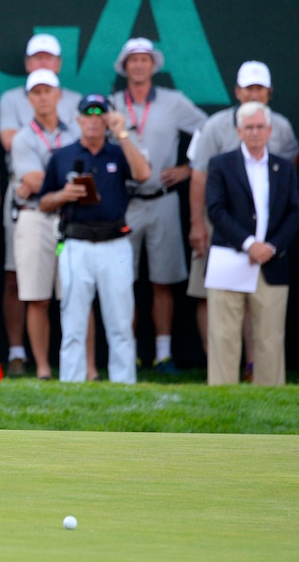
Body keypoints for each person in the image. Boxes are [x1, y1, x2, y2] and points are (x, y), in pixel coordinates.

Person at [187, 60, 299, 378]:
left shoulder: (283, 145)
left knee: (268, 332)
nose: (254, 132)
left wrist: (272, 246)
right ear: (237, 92)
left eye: (259, 89)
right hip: (228, 246)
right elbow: (206, 190)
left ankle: (261, 383)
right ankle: (224, 387)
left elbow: (291, 206)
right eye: (248, 88)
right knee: (223, 328)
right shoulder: (217, 139)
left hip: (271, 253)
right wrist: (245, 242)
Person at [38, 94, 151, 384]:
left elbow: (143, 174)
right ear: (78, 119)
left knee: (120, 322)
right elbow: (43, 202)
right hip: (76, 244)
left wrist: (122, 134)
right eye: (88, 114)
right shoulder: (62, 155)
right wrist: (64, 195)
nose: (94, 119)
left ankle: (124, 383)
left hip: (115, 243)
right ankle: (72, 384)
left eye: (100, 114)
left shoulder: (118, 151)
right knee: (73, 322)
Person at [111, 37, 207, 374]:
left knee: (163, 281)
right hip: (125, 202)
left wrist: (188, 169)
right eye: (133, 60)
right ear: (125, 67)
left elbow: (207, 133)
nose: (139, 65)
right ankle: (131, 354)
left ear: (153, 66)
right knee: (124, 281)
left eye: (145, 59)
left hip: (163, 200)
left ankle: (164, 354)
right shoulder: (111, 105)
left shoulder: (173, 101)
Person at [0, 33, 82, 378]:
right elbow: (23, 165)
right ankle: (21, 355)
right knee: (21, 280)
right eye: (37, 58)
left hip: (72, 213)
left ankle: (77, 366)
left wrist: (55, 184)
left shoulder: (77, 103)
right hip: (28, 208)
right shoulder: (11, 101)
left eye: (49, 58)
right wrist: (65, 183)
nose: (43, 63)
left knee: (74, 289)